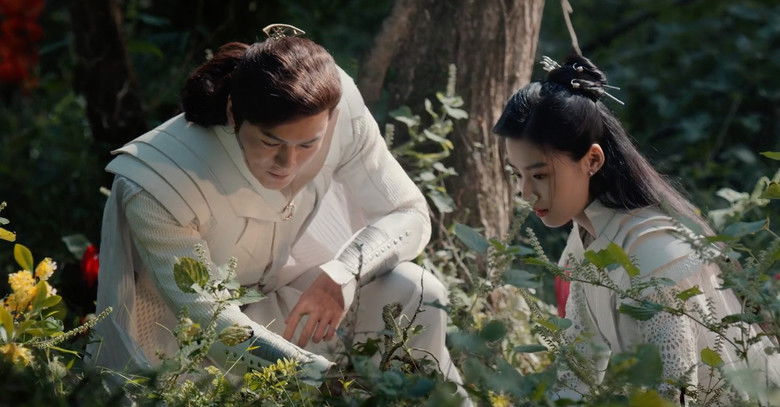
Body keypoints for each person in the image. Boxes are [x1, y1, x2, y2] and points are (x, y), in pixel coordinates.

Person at [87, 29, 465, 394]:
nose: (288, 164)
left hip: (285, 306)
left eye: (308, 145)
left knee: (415, 289)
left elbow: (409, 213)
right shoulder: (155, 182)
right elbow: (210, 322)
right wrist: (323, 379)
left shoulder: (334, 103)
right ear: (234, 113)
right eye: (271, 142)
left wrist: (343, 273)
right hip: (185, 350)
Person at [492, 55, 780, 404]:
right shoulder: (587, 238)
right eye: (517, 175)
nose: (525, 193)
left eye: (539, 175)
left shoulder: (652, 251)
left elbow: (673, 394)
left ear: (592, 160)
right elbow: (577, 375)